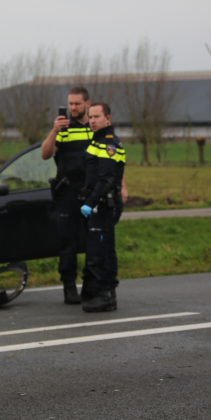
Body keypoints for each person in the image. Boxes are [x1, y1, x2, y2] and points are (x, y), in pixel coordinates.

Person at [41, 88, 127, 305]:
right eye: (70, 104)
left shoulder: (96, 127)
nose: (73, 108)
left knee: (97, 240)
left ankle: (93, 285)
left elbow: (112, 162)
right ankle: (69, 286)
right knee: (67, 241)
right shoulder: (64, 129)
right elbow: (44, 154)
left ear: (87, 104)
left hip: (94, 192)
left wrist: (122, 187)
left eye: (77, 104)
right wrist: (53, 131)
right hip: (69, 191)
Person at [79, 102, 125, 312]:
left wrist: (90, 203)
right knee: (105, 248)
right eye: (91, 117)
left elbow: (106, 179)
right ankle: (107, 292)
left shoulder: (109, 143)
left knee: (99, 251)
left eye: (97, 117)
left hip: (102, 205)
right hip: (99, 203)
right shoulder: (96, 141)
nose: (93, 121)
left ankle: (104, 295)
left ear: (108, 118)